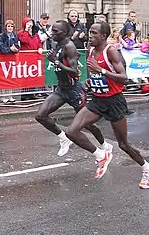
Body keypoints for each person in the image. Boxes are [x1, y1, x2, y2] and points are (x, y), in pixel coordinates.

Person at [66, 22, 149, 188]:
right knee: (71, 131)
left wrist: (101, 71)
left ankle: (147, 168)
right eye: (89, 32)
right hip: (98, 100)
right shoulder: (91, 51)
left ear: (103, 36)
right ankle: (101, 155)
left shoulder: (111, 51)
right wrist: (90, 81)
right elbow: (97, 76)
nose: (89, 36)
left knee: (123, 144)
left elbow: (123, 78)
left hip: (114, 101)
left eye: (94, 33)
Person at [35, 20, 112, 157]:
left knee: (88, 124)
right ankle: (63, 138)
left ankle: (104, 145)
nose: (52, 33)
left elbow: (74, 72)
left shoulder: (69, 46)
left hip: (74, 91)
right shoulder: (57, 43)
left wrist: (56, 61)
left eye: (55, 31)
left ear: (64, 33)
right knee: (40, 116)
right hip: (61, 89)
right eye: (52, 30)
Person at [18, 17, 43, 101]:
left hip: (35, 58)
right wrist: (26, 30)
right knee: (26, 76)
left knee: (34, 75)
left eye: (31, 23)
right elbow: (24, 40)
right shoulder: (21, 33)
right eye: (28, 23)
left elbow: (39, 42)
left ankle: (32, 93)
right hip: (25, 58)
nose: (30, 25)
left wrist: (40, 48)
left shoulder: (35, 34)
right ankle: (25, 94)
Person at [0, 19, 20, 103]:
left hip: (12, 59)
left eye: (11, 26)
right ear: (5, 27)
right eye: (8, 26)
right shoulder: (1, 36)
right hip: (3, 60)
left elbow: (18, 47)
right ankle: (2, 96)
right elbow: (0, 48)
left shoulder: (15, 36)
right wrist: (10, 49)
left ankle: (10, 95)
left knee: (10, 77)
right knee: (3, 77)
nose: (10, 28)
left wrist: (16, 50)